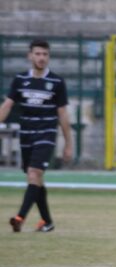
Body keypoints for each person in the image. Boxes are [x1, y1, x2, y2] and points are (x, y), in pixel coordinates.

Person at [0, 38, 72, 233]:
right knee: (35, 179)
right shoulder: (20, 80)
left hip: (46, 134)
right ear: (30, 55)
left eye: (45, 54)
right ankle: (47, 222)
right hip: (26, 135)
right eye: (38, 54)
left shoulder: (57, 82)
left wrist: (68, 143)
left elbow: (63, 114)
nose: (41, 58)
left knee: (34, 173)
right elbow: (7, 105)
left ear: (49, 57)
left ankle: (19, 217)